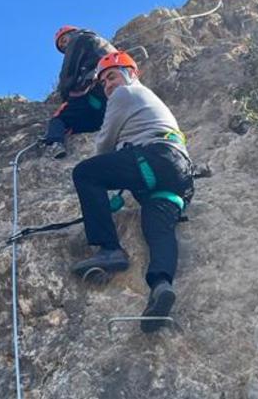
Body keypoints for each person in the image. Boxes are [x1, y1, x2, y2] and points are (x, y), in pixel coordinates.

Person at [69, 51, 195, 333]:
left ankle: (109, 249)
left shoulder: (125, 95)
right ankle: (161, 286)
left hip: (153, 158)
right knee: (157, 229)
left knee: (85, 173)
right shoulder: (149, 102)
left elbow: (104, 145)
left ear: (131, 73)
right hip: (179, 173)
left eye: (112, 76)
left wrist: (104, 185)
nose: (108, 85)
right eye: (103, 83)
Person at [43, 25, 116, 159]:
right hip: (108, 91)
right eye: (62, 45)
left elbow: (68, 72)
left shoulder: (78, 39)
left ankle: (54, 143)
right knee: (91, 119)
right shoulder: (101, 42)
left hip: (93, 88)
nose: (65, 46)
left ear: (72, 33)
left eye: (64, 40)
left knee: (59, 118)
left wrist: (65, 94)